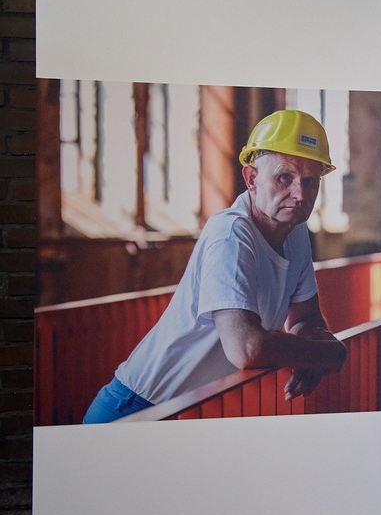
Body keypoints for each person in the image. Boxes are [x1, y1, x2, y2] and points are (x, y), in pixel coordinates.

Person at [82, 110, 347, 423]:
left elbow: (305, 317)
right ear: (252, 179)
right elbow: (247, 348)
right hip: (137, 408)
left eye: (310, 181)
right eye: (284, 177)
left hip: (185, 411)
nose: (299, 194)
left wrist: (310, 358)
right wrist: (330, 354)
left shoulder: (296, 232)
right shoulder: (231, 234)